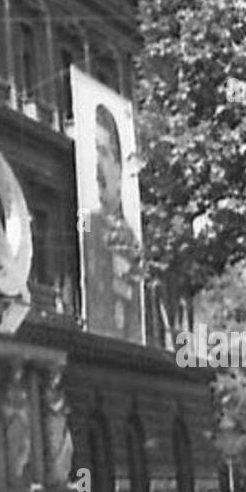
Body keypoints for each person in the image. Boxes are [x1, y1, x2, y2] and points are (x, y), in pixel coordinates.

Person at [81, 105, 144, 342]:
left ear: (119, 168)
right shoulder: (87, 227)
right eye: (94, 151)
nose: (97, 165)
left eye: (104, 152)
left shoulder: (132, 240)